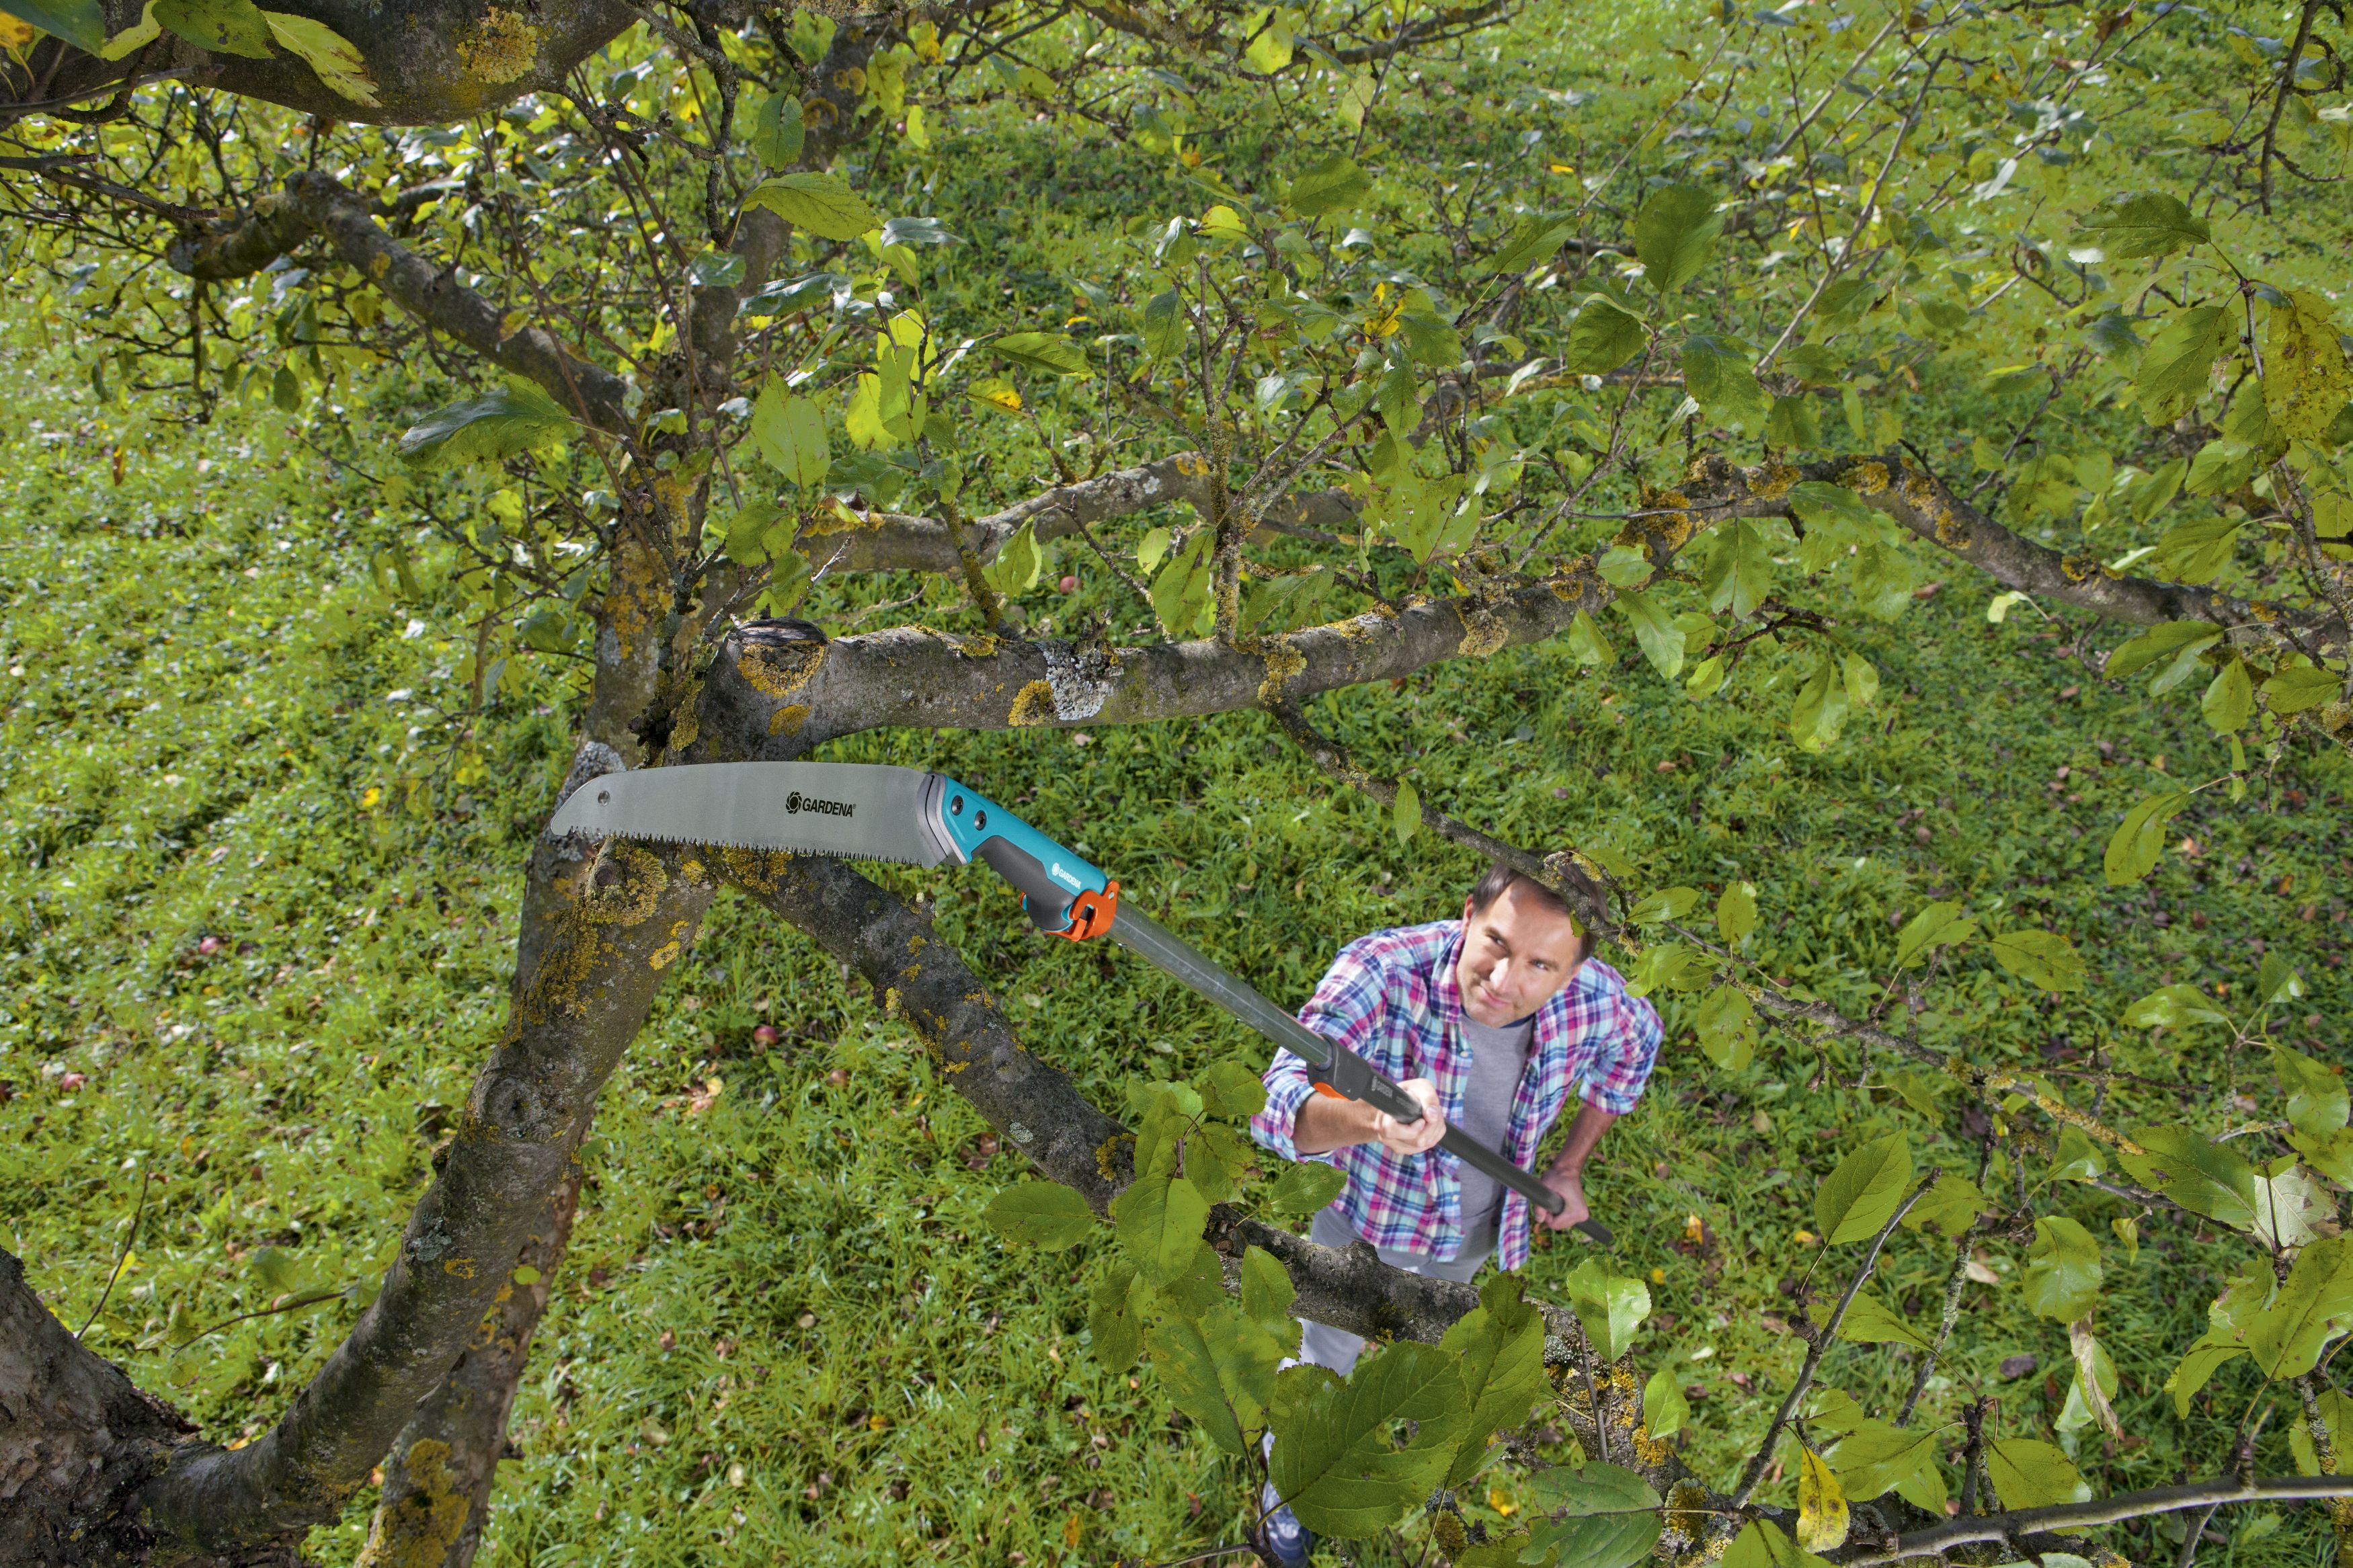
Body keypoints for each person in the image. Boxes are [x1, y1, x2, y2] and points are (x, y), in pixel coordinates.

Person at [1244, 862, 1662, 1567]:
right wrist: (1372, 1119)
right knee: (1323, 1360)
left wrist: (1568, 1167)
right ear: (1468, 914)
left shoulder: (1596, 1000)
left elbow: (1636, 1046)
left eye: (1539, 965)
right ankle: (1290, 1493)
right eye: (1495, 942)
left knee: (1430, 1342)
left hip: (1475, 1232)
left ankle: (1401, 1434)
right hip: (1361, 1223)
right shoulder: (1384, 970)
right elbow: (1276, 1105)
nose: (1502, 979)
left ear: (1574, 971)